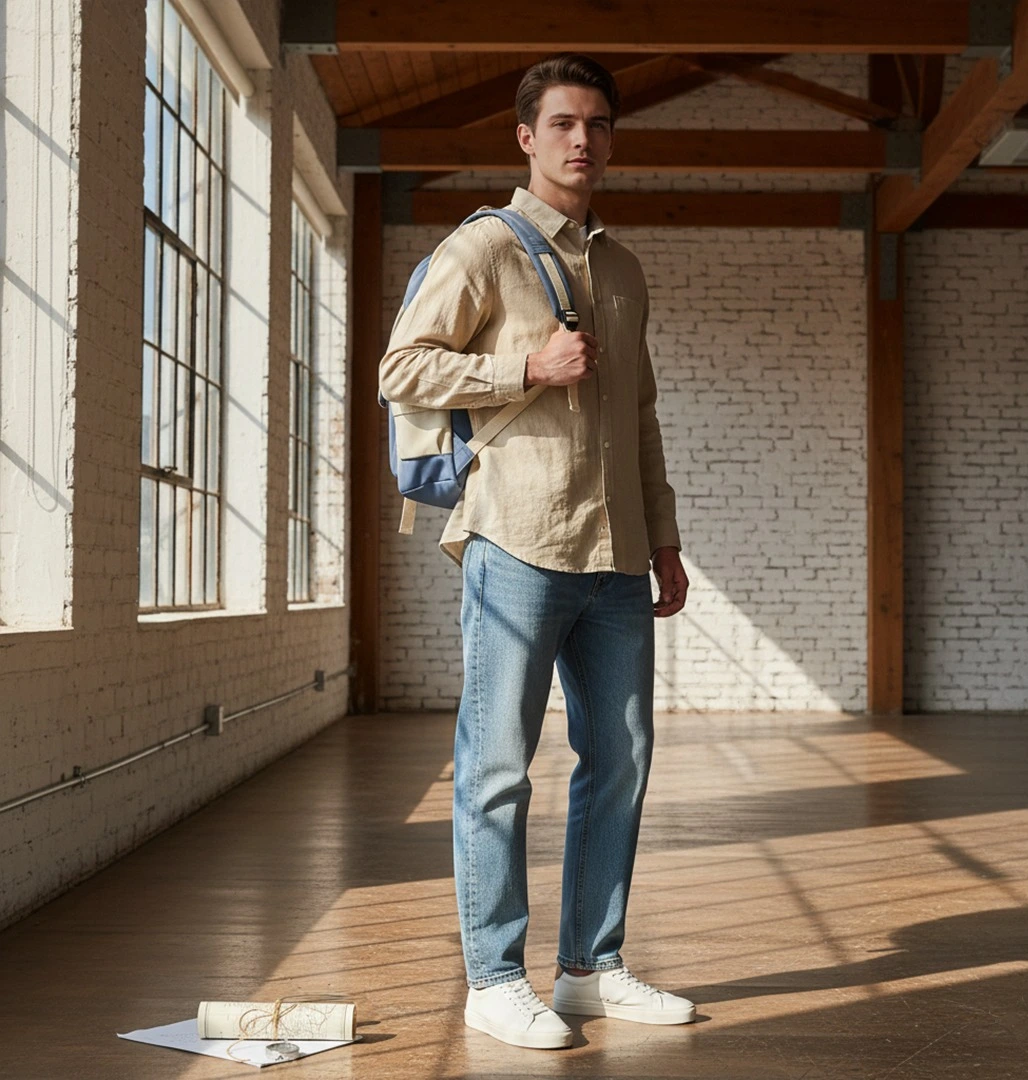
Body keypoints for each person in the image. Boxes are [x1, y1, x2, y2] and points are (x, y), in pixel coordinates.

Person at [379, 54, 693, 1050]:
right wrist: (525, 364)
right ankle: (494, 979)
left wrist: (668, 538)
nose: (582, 141)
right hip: (514, 542)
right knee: (499, 765)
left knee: (622, 760)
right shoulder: (483, 250)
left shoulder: (626, 269)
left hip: (615, 557)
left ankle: (593, 968)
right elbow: (403, 368)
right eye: (562, 123)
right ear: (526, 136)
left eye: (598, 124)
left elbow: (638, 416)